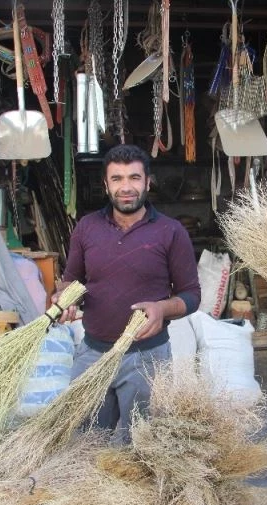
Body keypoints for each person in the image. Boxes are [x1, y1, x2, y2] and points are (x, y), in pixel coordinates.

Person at [58, 144, 201, 442]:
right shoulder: (86, 228)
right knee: (84, 444)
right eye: (117, 179)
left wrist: (162, 309)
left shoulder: (171, 232)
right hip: (92, 355)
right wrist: (64, 299)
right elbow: (72, 282)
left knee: (142, 446)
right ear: (106, 185)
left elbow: (191, 294)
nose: (126, 187)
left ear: (148, 182)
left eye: (134, 178)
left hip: (146, 359)